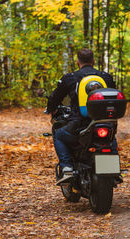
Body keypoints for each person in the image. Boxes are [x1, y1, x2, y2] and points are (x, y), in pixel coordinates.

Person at [46, 49, 117, 183]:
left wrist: (51, 109)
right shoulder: (106, 77)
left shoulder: (70, 78)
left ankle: (67, 167)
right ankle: (112, 167)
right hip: (103, 122)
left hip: (78, 126)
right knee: (110, 136)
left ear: (77, 62)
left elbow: (55, 98)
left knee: (58, 134)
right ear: (93, 61)